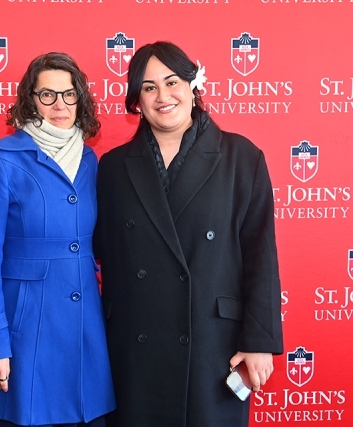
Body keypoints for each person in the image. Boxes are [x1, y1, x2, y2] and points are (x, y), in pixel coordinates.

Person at [94, 42, 283, 427]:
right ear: (137, 100)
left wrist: (259, 341)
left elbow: (261, 257)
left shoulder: (242, 158)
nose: (163, 96)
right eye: (149, 87)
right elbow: (102, 253)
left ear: (193, 85)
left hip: (213, 344)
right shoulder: (113, 167)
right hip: (135, 346)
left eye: (172, 82)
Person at [0, 52, 116, 427]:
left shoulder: (90, 161)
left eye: (69, 94)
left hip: (84, 328)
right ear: (30, 100)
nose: (59, 105)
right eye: (47, 95)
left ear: (80, 98)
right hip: (26, 329)